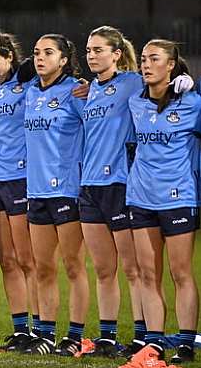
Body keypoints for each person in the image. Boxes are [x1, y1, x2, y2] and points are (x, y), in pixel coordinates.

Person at [128, 40, 200, 364]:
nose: (146, 64)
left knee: (181, 272)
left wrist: (195, 84)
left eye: (154, 59)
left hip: (178, 196)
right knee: (147, 273)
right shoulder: (135, 102)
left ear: (171, 65)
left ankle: (185, 341)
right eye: (143, 59)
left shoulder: (192, 103)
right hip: (140, 196)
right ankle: (154, 342)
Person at [79, 26, 145, 357]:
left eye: (98, 50)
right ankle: (107, 337)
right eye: (89, 50)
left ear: (116, 54)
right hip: (89, 187)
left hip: (119, 183)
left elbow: (164, 83)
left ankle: (143, 337)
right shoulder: (88, 90)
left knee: (134, 270)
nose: (91, 55)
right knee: (104, 270)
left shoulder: (132, 82)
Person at [21, 34, 89, 356]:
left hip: (66, 190)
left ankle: (75, 335)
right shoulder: (31, 91)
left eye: (48, 52)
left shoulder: (76, 91)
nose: (40, 57)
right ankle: (46, 334)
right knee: (43, 266)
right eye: (36, 52)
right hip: (35, 190)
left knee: (74, 266)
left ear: (63, 59)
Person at [0, 29, 40, 351]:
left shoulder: (27, 80)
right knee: (8, 260)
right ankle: (20, 327)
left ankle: (40, 328)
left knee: (29, 260)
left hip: (23, 177)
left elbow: (56, 68)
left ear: (9, 56)